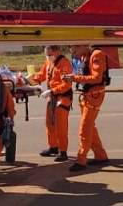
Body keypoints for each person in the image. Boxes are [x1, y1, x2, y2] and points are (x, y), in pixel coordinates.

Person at [62, 44, 111, 172]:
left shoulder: (96, 55)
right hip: (87, 95)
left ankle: (81, 160)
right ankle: (101, 155)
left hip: (94, 96)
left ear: (82, 46)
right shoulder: (85, 56)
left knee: (85, 128)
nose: (75, 54)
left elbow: (97, 78)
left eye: (75, 50)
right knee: (90, 127)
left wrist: (74, 78)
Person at [30, 44, 73, 162]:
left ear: (57, 52)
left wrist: (52, 91)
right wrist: (35, 82)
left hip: (62, 98)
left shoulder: (64, 64)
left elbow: (66, 85)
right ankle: (53, 147)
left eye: (50, 55)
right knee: (49, 124)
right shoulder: (49, 62)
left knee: (60, 126)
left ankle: (63, 152)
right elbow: (42, 74)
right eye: (46, 54)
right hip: (52, 97)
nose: (48, 57)